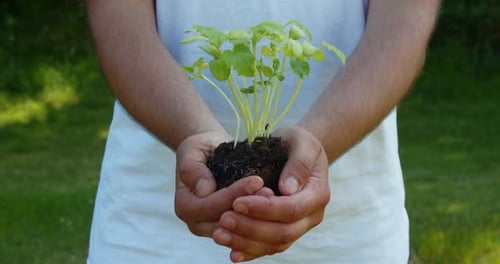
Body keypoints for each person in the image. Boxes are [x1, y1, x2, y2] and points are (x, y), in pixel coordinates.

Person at [85, 0, 440, 263]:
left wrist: (318, 142)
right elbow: (118, 17)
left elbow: (403, 24)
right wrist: (193, 131)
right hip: (150, 230)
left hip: (351, 233)